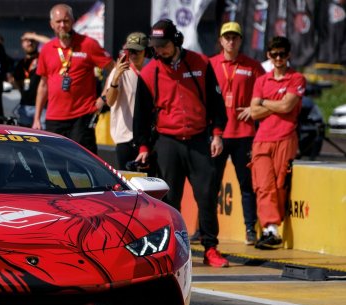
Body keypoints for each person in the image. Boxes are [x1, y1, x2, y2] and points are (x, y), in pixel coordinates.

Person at [133, 19, 229, 267]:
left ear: (176, 41)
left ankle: (211, 248)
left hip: (199, 140)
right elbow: (141, 115)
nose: (159, 51)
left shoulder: (200, 63)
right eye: (156, 47)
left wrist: (217, 133)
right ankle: (171, 249)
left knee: (207, 195)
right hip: (167, 141)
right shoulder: (148, 72)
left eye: (164, 45)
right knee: (169, 199)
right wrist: (144, 148)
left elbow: (217, 104)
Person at [209, 22, 264, 245]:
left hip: (244, 133)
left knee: (246, 185)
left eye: (235, 37)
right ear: (221, 40)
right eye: (227, 37)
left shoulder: (252, 66)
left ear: (240, 41)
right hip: (218, 134)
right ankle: (206, 231)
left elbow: (266, 89)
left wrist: (254, 108)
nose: (231, 41)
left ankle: (250, 230)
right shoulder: (210, 64)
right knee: (211, 186)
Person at [33, 3, 114, 154]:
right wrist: (37, 118)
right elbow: (43, 85)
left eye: (66, 20)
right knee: (54, 164)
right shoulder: (46, 49)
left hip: (81, 117)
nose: (62, 25)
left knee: (84, 163)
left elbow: (114, 69)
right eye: (58, 22)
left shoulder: (88, 44)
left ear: (73, 21)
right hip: (54, 118)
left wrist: (103, 98)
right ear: (52, 24)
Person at [249, 36, 306, 250]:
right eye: (274, 54)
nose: (279, 58)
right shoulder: (261, 80)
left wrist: (264, 102)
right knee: (263, 185)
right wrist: (276, 103)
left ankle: (273, 228)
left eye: (282, 54)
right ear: (268, 56)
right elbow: (254, 112)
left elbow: (287, 107)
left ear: (289, 55)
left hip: (286, 137)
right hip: (262, 139)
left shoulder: (297, 78)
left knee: (280, 185)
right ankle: (270, 229)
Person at [102, 31, 151, 173]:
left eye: (137, 51)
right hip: (125, 136)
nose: (133, 55)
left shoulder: (151, 67)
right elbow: (110, 102)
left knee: (150, 181)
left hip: (147, 136)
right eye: (130, 51)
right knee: (129, 182)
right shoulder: (121, 70)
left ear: (145, 51)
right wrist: (115, 79)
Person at [12, 32, 47, 127]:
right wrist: (22, 92)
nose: (30, 43)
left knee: (42, 137)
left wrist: (34, 36)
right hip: (24, 106)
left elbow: (51, 43)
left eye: (32, 41)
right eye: (26, 41)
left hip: (42, 107)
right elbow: (16, 81)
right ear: (22, 44)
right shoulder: (21, 63)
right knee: (24, 136)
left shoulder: (43, 57)